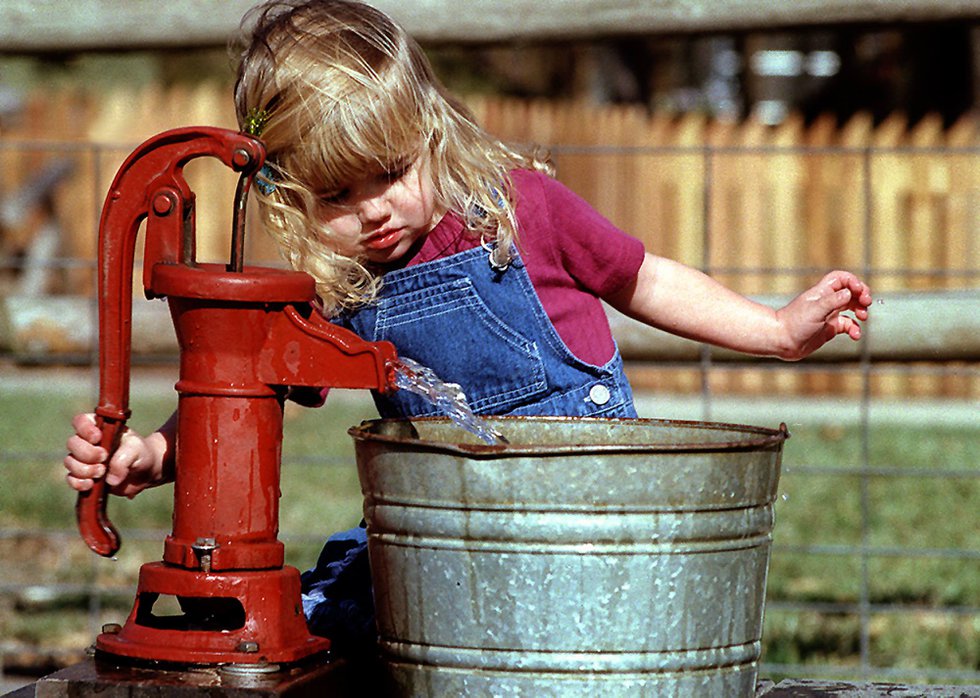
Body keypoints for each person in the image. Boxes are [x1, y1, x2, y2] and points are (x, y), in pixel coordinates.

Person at [64, 0, 872, 652]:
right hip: (446, 539)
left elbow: (643, 278)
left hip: (583, 518)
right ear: (289, 196)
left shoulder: (521, 215)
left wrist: (776, 330)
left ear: (431, 132)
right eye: (337, 197)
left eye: (390, 173)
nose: (374, 211)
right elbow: (244, 392)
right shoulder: (338, 288)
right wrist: (153, 455)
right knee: (327, 610)